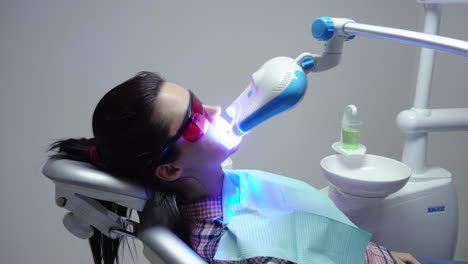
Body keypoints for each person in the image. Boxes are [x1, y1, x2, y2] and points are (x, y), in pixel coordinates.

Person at [49, 71, 420, 264]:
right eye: (194, 119)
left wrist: (377, 255)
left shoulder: (229, 191)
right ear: (169, 171)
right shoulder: (236, 246)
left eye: (199, 102)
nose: (213, 111)